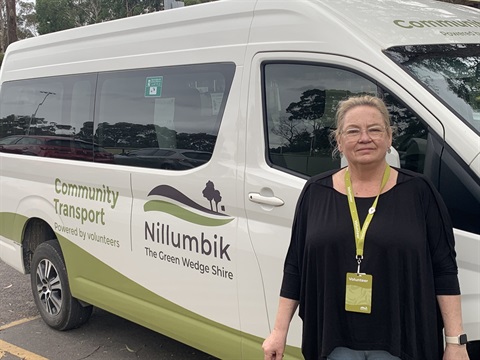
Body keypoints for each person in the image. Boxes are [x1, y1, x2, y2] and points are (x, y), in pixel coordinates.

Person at [262, 95, 469, 360]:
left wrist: (455, 342)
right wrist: (279, 331)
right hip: (334, 340)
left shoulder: (420, 192)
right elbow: (295, 266)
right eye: (353, 131)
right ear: (339, 140)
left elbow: (444, 268)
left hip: (403, 341)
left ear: (389, 136)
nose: (364, 138)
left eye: (374, 129)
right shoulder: (315, 191)